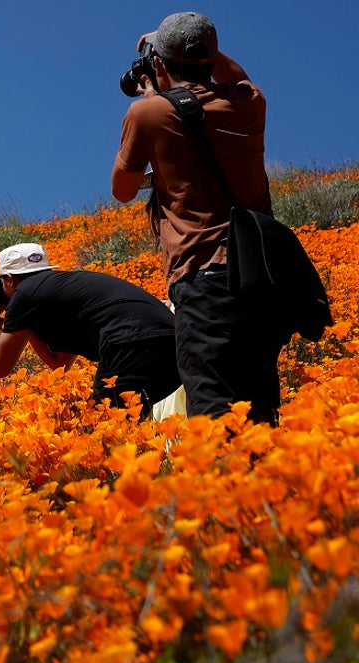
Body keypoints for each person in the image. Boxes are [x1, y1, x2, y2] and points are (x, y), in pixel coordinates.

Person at [111, 11, 282, 424]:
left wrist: (153, 93)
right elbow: (237, 74)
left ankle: (225, 488)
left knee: (214, 407)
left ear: (157, 63)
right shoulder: (249, 103)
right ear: (212, 55)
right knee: (258, 406)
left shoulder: (147, 115)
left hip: (206, 278)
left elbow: (123, 189)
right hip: (263, 281)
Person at [0, 243, 182, 418]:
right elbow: (58, 364)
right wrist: (27, 324)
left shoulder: (24, 293)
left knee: (103, 428)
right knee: (124, 425)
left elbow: (0, 367)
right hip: (175, 345)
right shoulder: (67, 289)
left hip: (130, 343)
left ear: (9, 279)